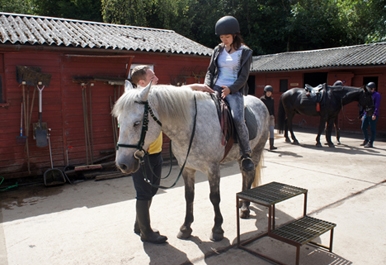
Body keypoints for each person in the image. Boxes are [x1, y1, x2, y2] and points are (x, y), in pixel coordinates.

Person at [203, 15, 254, 171]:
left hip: (234, 90)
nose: (224, 40)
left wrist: (231, 89)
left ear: (235, 35)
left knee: (238, 118)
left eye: (227, 36)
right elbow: (210, 71)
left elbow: (244, 77)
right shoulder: (218, 50)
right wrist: (206, 86)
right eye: (222, 37)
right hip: (215, 87)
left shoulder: (245, 52)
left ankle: (246, 153)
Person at [129, 65, 167, 244]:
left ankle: (139, 225)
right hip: (142, 155)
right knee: (144, 193)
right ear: (142, 82)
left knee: (151, 190)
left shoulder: (152, 98)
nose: (157, 79)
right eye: (153, 77)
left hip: (156, 152)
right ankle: (147, 233)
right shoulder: (136, 102)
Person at [360, 81, 381, 148]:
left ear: (373, 89)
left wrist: (374, 114)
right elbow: (365, 105)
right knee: (363, 127)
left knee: (372, 129)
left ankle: (371, 142)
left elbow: (377, 105)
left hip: (373, 114)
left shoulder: (377, 95)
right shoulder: (368, 94)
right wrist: (363, 114)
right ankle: (366, 139)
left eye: (369, 89)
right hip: (367, 113)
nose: (368, 90)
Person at [260, 85, 277, 150]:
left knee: (272, 131)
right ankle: (261, 145)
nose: (269, 93)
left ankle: (271, 145)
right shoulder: (262, 99)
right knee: (264, 132)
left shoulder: (272, 100)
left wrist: (273, 115)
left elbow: (272, 108)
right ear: (265, 92)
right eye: (267, 92)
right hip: (264, 117)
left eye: (270, 92)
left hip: (270, 117)